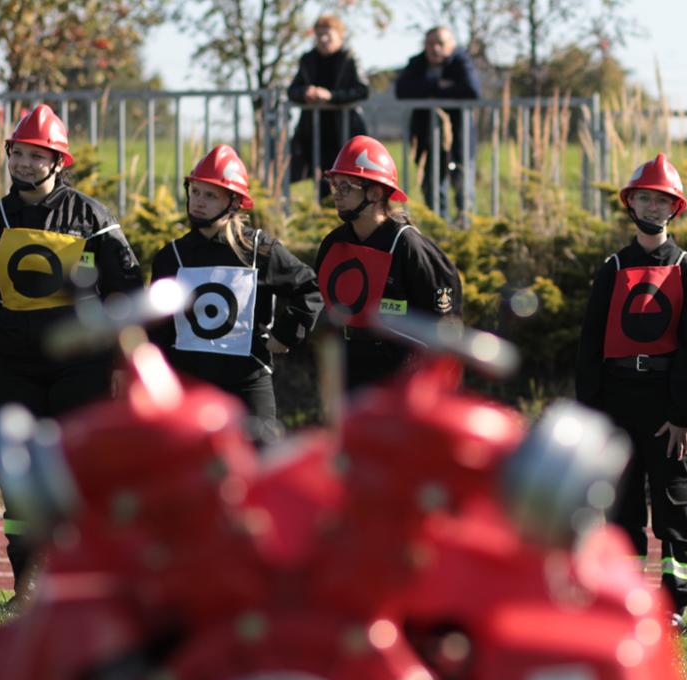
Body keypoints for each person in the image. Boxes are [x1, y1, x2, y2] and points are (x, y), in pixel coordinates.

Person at [0, 103, 141, 608]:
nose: (25, 164)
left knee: (78, 474)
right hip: (12, 369)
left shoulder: (94, 220)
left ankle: (82, 582)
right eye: (19, 154)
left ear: (59, 162)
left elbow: (126, 296)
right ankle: (26, 582)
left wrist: (125, 368)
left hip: (83, 369)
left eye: (38, 156)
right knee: (18, 477)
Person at [574, 154, 687, 629]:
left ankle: (674, 601)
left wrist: (683, 414)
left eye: (662, 200)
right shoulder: (612, 269)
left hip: (665, 405)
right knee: (622, 505)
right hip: (617, 402)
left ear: (675, 208)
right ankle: (625, 599)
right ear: (631, 203)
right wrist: (592, 414)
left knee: (674, 505)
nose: (652, 207)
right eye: (645, 198)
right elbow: (590, 345)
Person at [150, 144, 322, 447]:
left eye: (211, 195)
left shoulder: (259, 250)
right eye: (196, 191)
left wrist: (284, 335)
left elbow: (309, 289)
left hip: (248, 384)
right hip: (190, 387)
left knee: (262, 469)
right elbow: (158, 328)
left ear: (234, 202)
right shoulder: (171, 256)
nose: (198, 202)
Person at [313, 135, 462, 390]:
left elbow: (445, 326)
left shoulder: (409, 247)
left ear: (375, 192)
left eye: (346, 186)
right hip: (349, 377)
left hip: (400, 383)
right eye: (334, 185)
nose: (336, 194)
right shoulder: (333, 244)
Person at [394, 26, 480, 214]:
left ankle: (464, 229)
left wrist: (426, 91)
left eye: (440, 43)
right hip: (426, 138)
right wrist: (438, 85)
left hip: (459, 138)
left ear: (451, 44)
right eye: (430, 44)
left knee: (463, 189)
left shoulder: (461, 61)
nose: (435, 48)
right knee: (431, 189)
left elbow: (472, 89)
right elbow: (402, 89)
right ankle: (438, 230)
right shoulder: (417, 63)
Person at [285, 14, 368, 202]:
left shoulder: (349, 58)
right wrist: (305, 92)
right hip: (313, 133)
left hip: (344, 132)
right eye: (319, 35)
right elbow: (292, 90)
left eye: (327, 35)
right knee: (323, 184)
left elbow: (362, 90)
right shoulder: (307, 59)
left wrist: (331, 97)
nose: (323, 40)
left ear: (340, 36)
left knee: (348, 181)